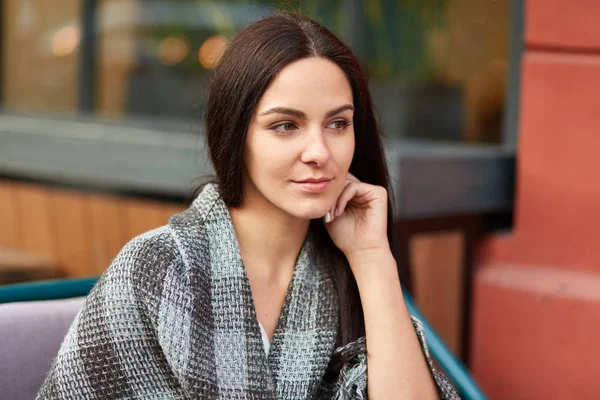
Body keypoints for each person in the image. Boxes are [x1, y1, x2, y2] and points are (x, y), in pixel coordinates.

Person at [37, 12, 460, 399]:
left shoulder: (349, 271)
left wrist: (371, 259)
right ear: (237, 134)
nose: (318, 151)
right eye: (285, 126)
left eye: (337, 123)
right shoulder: (159, 269)